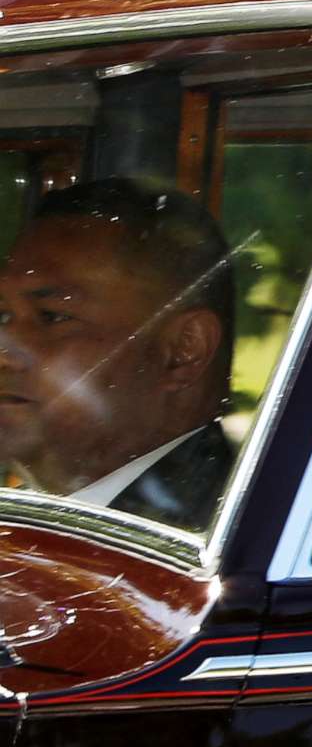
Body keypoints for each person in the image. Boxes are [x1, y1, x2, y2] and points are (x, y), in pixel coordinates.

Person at [0, 178, 238, 531]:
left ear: (184, 349)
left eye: (53, 316)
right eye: (2, 316)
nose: (6, 353)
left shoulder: (238, 540)